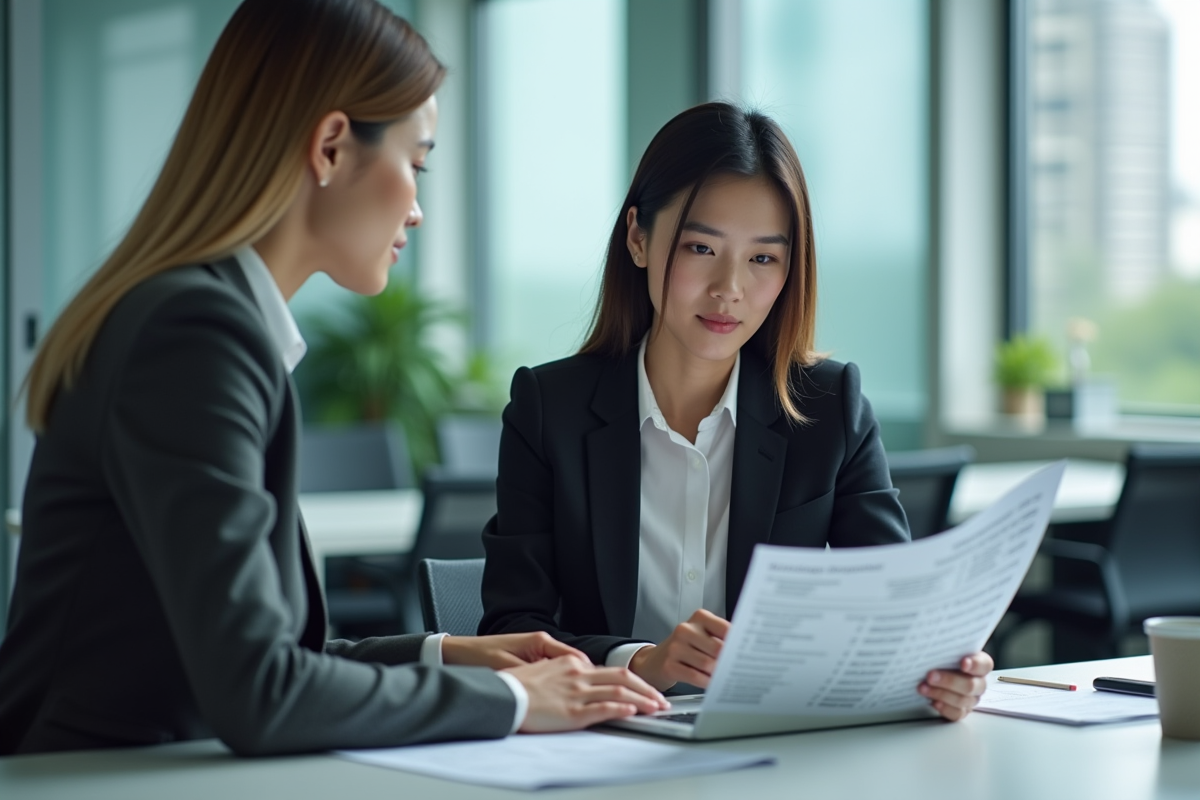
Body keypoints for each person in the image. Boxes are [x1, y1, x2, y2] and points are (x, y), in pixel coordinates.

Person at [0, 0, 667, 757]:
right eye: (416, 165)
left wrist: (447, 655)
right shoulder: (194, 336)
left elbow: (271, 661)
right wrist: (516, 700)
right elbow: (262, 693)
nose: (418, 211)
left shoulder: (205, 321)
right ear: (330, 148)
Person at [479, 103, 992, 721]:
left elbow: (892, 612)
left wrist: (941, 670)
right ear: (638, 238)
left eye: (763, 258)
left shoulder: (830, 408)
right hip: (605, 739)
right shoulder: (548, 410)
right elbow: (512, 631)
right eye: (701, 247)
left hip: (776, 741)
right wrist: (643, 662)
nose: (730, 288)